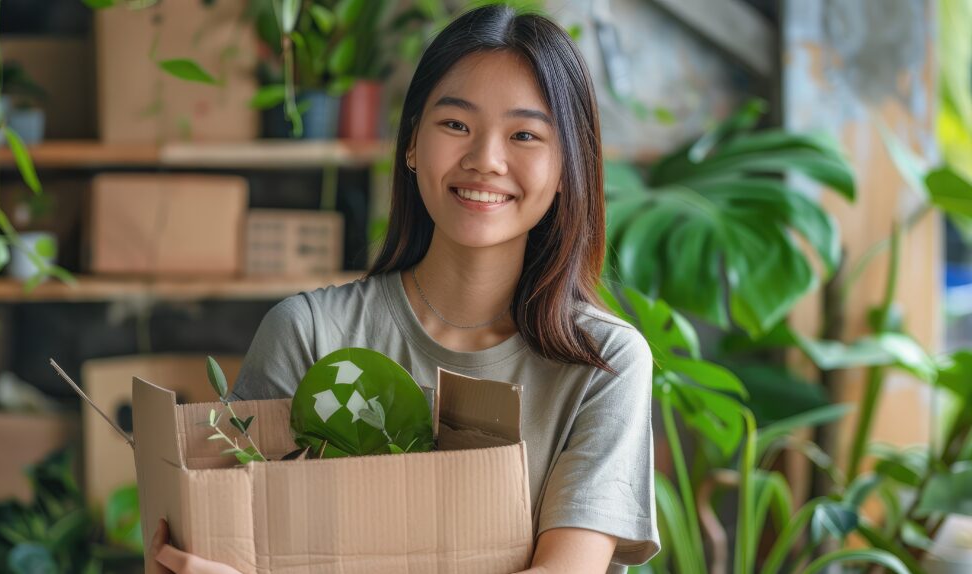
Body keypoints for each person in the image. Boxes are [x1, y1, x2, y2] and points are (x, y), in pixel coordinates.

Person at [150, 4, 659, 573]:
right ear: (412, 143)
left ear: (568, 168)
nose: (485, 160)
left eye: (524, 134)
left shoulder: (603, 364)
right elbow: (225, 541)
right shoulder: (310, 334)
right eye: (456, 125)